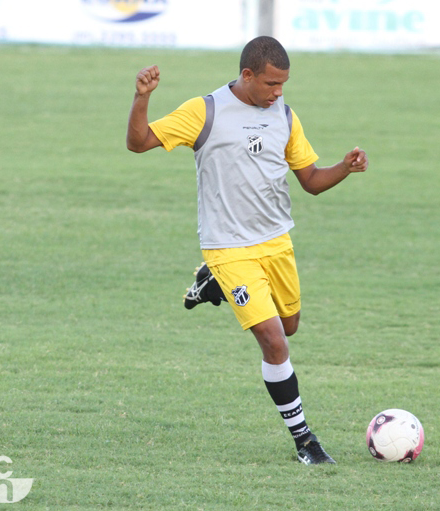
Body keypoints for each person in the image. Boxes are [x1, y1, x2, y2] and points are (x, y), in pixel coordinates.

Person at [126, 36, 368, 465]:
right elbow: (139, 141)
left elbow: (311, 181)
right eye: (271, 84)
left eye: (284, 84)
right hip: (228, 247)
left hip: (276, 242)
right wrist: (142, 98)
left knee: (289, 326)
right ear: (247, 75)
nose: (278, 92)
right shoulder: (205, 111)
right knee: (275, 344)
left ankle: (214, 285)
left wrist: (345, 169)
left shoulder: (285, 116)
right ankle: (305, 441)